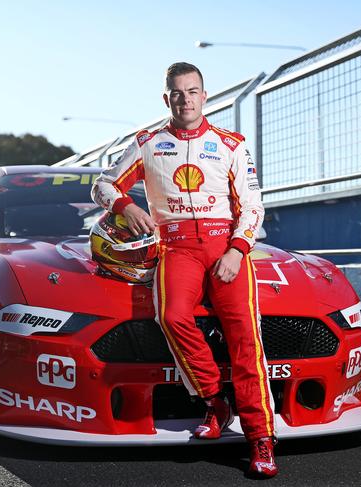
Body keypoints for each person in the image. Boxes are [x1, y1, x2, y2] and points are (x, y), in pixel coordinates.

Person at [91, 62, 277, 478]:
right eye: (177, 93)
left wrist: (237, 250)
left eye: (192, 92)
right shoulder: (147, 143)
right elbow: (103, 184)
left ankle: (261, 439)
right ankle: (215, 401)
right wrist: (127, 205)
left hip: (224, 247)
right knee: (172, 316)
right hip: (175, 248)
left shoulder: (230, 144)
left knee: (246, 339)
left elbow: (252, 205)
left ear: (204, 96)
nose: (185, 99)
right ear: (167, 98)